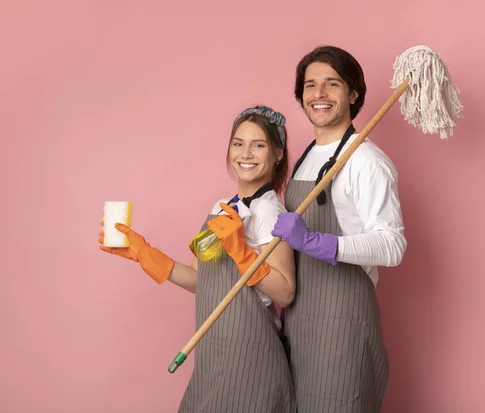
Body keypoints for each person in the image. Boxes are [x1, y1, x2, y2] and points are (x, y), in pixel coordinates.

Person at [98, 105, 297, 413]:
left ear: (278, 154)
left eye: (258, 145)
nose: (246, 154)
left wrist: (241, 250)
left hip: (250, 356)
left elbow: (285, 291)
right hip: (214, 353)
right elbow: (201, 281)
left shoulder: (271, 211)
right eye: (238, 143)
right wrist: (144, 254)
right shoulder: (221, 207)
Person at [271, 45, 407, 412]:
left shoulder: (366, 161)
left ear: (353, 93)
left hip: (342, 324)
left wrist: (318, 243)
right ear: (300, 95)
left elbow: (392, 245)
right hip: (300, 321)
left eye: (332, 84)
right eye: (311, 85)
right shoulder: (304, 158)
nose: (319, 94)